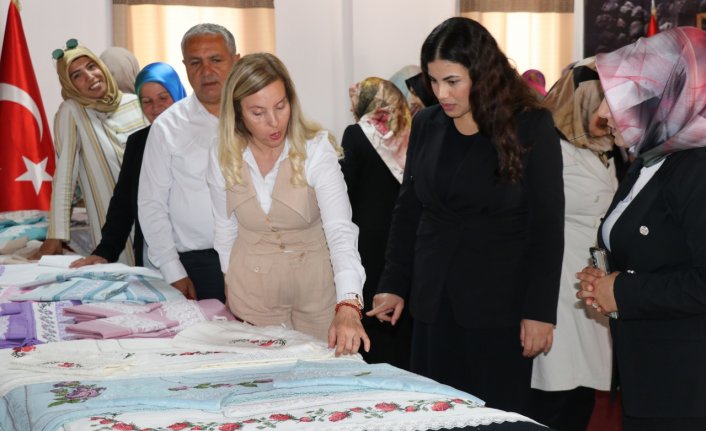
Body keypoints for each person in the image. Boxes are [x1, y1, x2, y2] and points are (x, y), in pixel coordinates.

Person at [368, 17, 564, 414]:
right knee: (433, 413)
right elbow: (408, 210)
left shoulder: (531, 126)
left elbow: (547, 227)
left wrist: (540, 313)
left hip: (499, 307)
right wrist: (394, 283)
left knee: (492, 416)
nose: (441, 93)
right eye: (433, 80)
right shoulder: (426, 123)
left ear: (483, 74)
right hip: (432, 300)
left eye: (452, 81)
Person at [577, 27, 706, 431]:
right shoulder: (651, 160)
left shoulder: (697, 168)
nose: (602, 114)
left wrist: (622, 290)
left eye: (614, 99)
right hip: (650, 375)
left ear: (662, 100)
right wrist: (605, 280)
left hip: (687, 387)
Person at [207, 52, 369, 356]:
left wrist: (349, 302)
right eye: (258, 112)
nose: (273, 122)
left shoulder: (316, 150)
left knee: (325, 374)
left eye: (280, 106)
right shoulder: (222, 154)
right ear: (237, 113)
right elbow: (224, 228)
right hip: (252, 294)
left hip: (317, 291)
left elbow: (340, 231)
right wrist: (230, 282)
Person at [529, 58, 617, 431]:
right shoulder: (551, 147)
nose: (606, 112)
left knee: (585, 389)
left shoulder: (609, 148)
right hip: (558, 274)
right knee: (556, 384)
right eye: (599, 101)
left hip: (593, 277)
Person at [138, 23, 239, 301]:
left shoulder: (257, 115)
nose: (206, 71)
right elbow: (151, 203)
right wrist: (173, 271)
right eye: (195, 62)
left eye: (216, 60)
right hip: (197, 267)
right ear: (184, 66)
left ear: (235, 61)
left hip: (257, 258)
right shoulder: (167, 127)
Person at [33, 39, 148, 263]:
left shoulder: (136, 103)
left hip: (152, 217)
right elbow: (65, 177)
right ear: (69, 84)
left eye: (91, 66)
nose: (90, 76)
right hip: (111, 227)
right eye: (77, 75)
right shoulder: (72, 112)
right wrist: (55, 236)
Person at [70, 62, 187, 269]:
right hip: (155, 259)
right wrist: (104, 252)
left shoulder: (203, 137)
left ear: (177, 94)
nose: (156, 108)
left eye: (163, 98)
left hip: (203, 257)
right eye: (147, 101)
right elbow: (122, 204)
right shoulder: (138, 143)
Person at [340, 77, 413, 368]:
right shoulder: (411, 131)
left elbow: (344, 190)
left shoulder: (356, 133)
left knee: (373, 314)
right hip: (404, 240)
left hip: (368, 242)